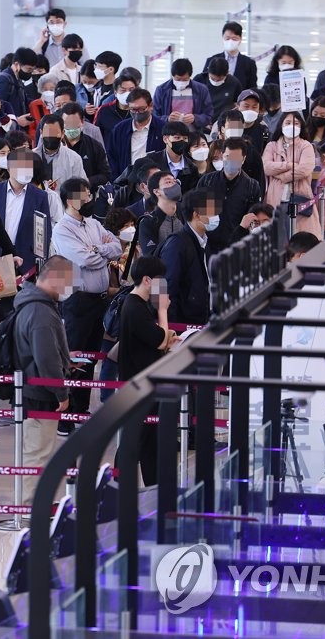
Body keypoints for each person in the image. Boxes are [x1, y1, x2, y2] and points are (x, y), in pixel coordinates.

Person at [52, 179, 122, 436]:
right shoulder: (63, 229)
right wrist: (100, 254)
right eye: (85, 195)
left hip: (99, 299)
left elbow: (115, 247)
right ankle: (65, 416)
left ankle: (81, 408)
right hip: (78, 300)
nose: (90, 198)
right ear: (71, 200)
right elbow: (84, 258)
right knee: (75, 357)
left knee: (91, 357)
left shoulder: (93, 224)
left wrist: (99, 249)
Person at [13, 256, 74, 502]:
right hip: (40, 392)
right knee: (38, 453)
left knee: (35, 451)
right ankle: (30, 508)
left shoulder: (33, 304)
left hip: (31, 387)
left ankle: (32, 503)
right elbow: (46, 359)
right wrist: (61, 393)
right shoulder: (41, 311)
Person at [118, 256, 176, 485]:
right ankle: (118, 486)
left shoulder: (138, 306)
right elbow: (160, 339)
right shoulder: (135, 307)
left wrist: (166, 336)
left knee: (148, 440)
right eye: (160, 281)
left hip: (144, 382)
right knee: (137, 439)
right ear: (147, 280)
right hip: (138, 384)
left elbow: (160, 338)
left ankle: (153, 487)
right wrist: (163, 311)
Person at [196, 136, 264, 254]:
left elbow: (252, 221)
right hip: (207, 245)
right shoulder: (207, 181)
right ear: (222, 156)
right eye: (228, 157)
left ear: (243, 159)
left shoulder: (252, 187)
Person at [0, 148, 52, 270]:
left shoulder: (40, 196)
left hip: (27, 260)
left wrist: (40, 261)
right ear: (10, 169)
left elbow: (44, 232)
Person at [160, 190, 217, 325]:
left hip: (204, 320)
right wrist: (171, 328)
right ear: (196, 215)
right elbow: (167, 287)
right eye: (212, 212)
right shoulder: (177, 244)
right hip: (183, 325)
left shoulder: (206, 241)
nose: (216, 216)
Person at [263, 111, 321, 237]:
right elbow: (267, 167)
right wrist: (289, 165)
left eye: (295, 123)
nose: (291, 126)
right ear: (281, 125)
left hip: (300, 197)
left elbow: (305, 169)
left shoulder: (306, 146)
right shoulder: (271, 146)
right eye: (288, 123)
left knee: (301, 238)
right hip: (275, 198)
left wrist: (281, 176)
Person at [106, 87, 166, 179]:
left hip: (154, 181)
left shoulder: (162, 128)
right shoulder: (119, 129)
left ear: (150, 106)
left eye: (141, 109)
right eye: (133, 109)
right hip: (126, 180)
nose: (137, 113)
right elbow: (111, 157)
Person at [153, 58, 214, 135]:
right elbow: (154, 115)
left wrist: (195, 118)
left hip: (193, 134)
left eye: (185, 79)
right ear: (172, 75)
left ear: (190, 76)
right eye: (178, 79)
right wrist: (167, 118)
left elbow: (209, 115)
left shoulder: (201, 89)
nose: (181, 82)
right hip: (169, 134)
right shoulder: (162, 90)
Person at [60, 103, 110, 189]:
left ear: (82, 122)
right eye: (67, 124)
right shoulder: (56, 145)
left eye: (74, 124)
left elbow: (105, 175)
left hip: (87, 194)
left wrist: (86, 181)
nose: (71, 128)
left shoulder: (94, 146)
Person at [137, 171, 186, 256]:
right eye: (168, 182)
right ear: (156, 191)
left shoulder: (187, 213)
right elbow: (150, 255)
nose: (175, 185)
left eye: (175, 181)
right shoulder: (148, 222)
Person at [35, 113, 88, 187]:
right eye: (48, 132)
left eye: (55, 132)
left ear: (63, 133)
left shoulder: (74, 158)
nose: (51, 136)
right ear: (41, 132)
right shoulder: (30, 157)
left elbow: (81, 188)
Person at [202, 21, 258, 90]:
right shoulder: (211, 60)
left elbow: (252, 88)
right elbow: (203, 84)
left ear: (240, 39)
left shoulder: (249, 63)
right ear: (222, 38)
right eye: (227, 38)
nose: (230, 42)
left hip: (239, 99)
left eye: (234, 39)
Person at [0, 47, 38, 127]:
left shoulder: (18, 80)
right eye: (28, 70)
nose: (30, 73)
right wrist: (16, 120)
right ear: (17, 64)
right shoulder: (4, 80)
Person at [194, 57, 242, 125]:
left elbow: (237, 105)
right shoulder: (198, 80)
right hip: (200, 123)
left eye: (219, 79)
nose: (216, 81)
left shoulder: (234, 83)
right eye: (212, 79)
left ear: (227, 73)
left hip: (222, 125)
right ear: (208, 70)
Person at [92, 70, 137, 142]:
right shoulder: (104, 110)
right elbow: (95, 136)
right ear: (115, 93)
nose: (128, 93)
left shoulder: (140, 111)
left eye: (131, 90)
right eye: (123, 90)